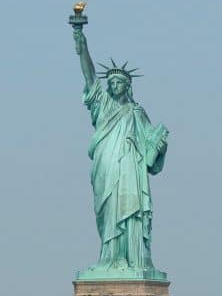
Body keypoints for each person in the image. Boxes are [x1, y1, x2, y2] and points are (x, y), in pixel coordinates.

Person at [72, 24, 168, 278]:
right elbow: (90, 76)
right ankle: (109, 257)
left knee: (130, 211)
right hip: (106, 165)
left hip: (130, 171)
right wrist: (80, 42)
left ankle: (133, 259)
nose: (114, 86)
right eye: (111, 82)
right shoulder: (102, 105)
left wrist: (160, 144)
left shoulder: (137, 113)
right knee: (107, 211)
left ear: (127, 86)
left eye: (119, 82)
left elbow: (151, 152)